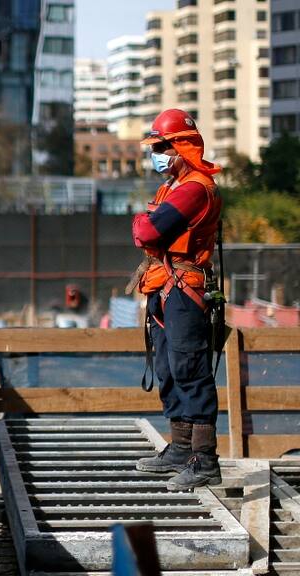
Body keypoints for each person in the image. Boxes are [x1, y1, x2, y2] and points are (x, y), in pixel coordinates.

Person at [129, 109, 223, 491]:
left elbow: (148, 231)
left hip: (184, 289)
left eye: (161, 148)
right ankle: (182, 448)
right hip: (166, 285)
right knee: (168, 368)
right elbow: (150, 229)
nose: (156, 155)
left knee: (190, 369)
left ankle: (205, 460)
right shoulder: (173, 185)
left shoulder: (194, 189)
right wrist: (146, 223)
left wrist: (142, 221)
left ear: (182, 147)